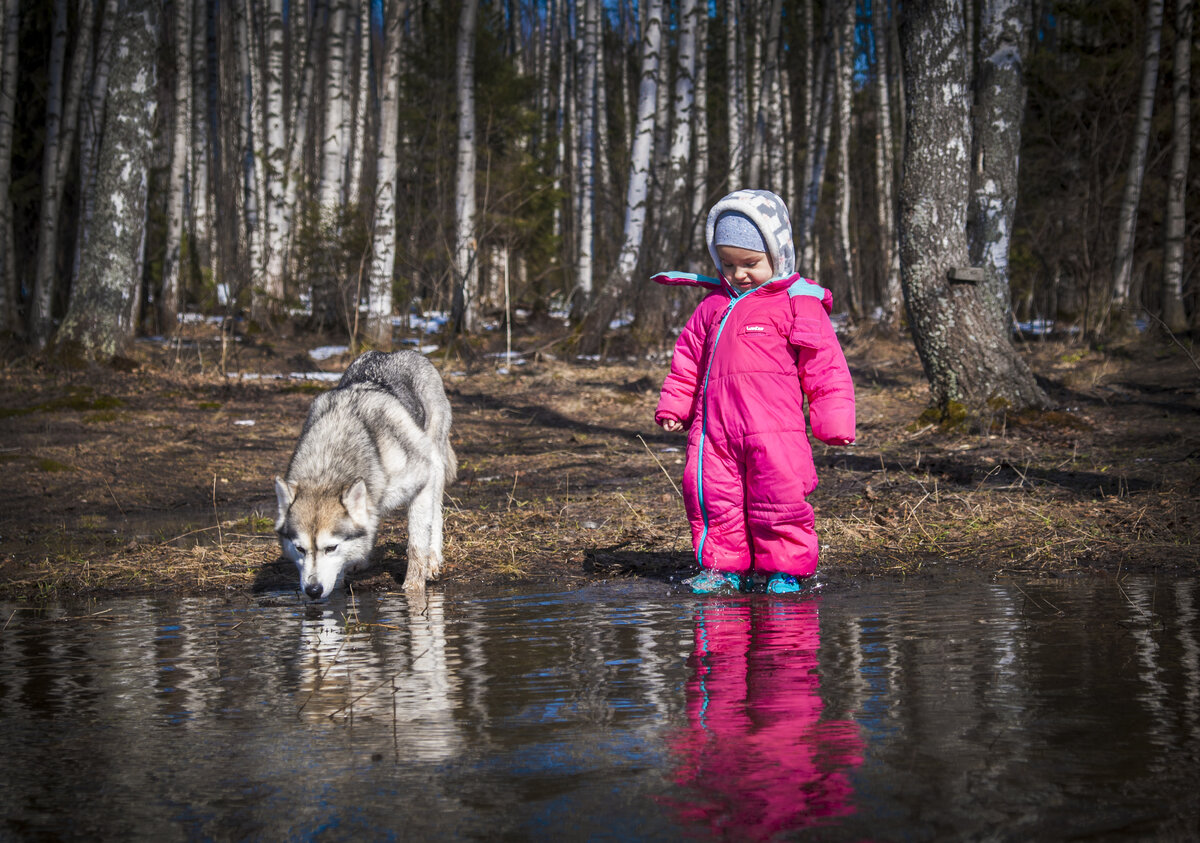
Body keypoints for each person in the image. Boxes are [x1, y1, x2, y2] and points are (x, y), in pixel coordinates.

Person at [654, 188, 856, 594]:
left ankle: (787, 570)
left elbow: (824, 364)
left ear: (777, 256)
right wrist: (676, 405)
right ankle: (721, 568)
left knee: (779, 497)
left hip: (774, 429)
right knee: (713, 498)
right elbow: (688, 358)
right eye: (728, 264)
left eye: (751, 263)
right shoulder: (712, 306)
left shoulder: (797, 303)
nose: (738, 273)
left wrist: (833, 419)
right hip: (715, 432)